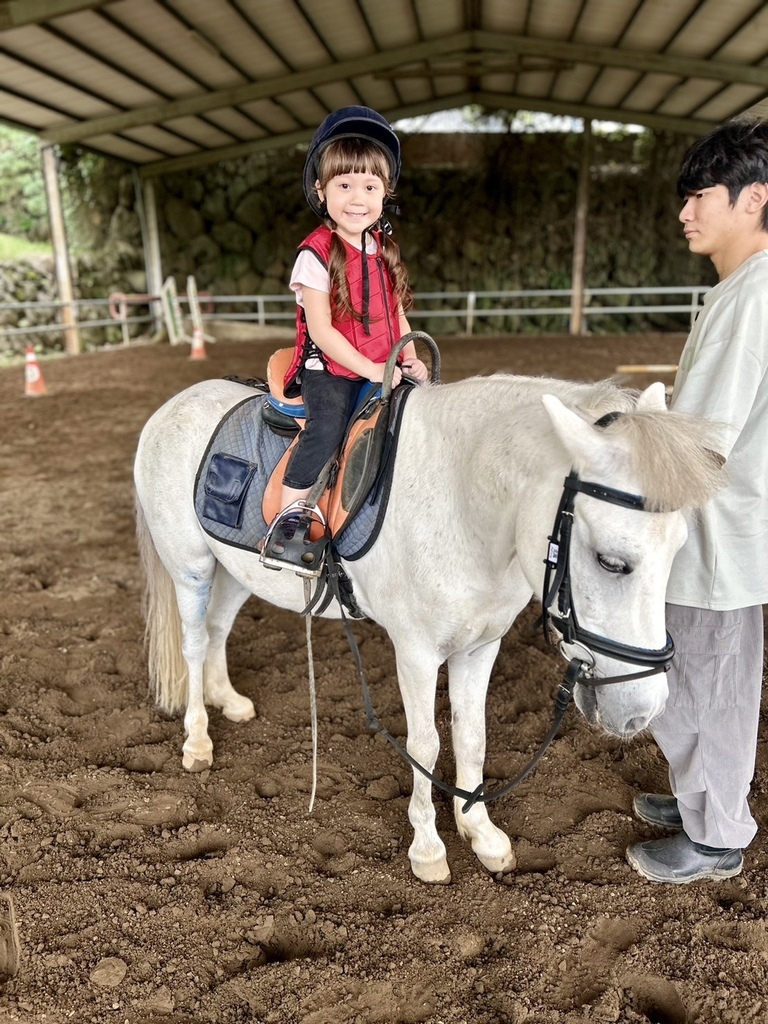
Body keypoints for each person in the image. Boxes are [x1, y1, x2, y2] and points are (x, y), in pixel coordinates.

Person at [626, 116, 768, 884]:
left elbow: (701, 440)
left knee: (709, 675)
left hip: (719, 529)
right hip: (718, 522)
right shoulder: (738, 291)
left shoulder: (754, 297)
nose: (685, 212)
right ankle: (699, 797)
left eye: (700, 195)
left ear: (755, 200)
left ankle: (716, 835)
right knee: (691, 670)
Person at [261, 106, 429, 574]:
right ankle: (289, 521)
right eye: (344, 185)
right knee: (328, 427)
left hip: (383, 362)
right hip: (330, 369)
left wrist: (409, 355)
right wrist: (376, 370)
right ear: (321, 190)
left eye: (370, 187)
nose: (358, 198)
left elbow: (395, 309)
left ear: (385, 193)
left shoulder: (382, 248)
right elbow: (322, 331)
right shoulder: (314, 255)